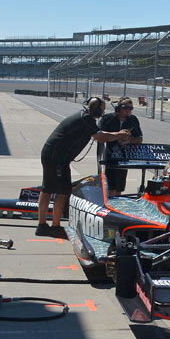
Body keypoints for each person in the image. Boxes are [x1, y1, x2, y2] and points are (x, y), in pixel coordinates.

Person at [37, 97, 130, 238]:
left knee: (48, 189)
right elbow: (101, 136)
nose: (103, 112)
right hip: (57, 158)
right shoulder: (86, 118)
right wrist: (119, 134)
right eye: (102, 109)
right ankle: (54, 226)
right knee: (61, 191)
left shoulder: (83, 116)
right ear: (97, 109)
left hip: (54, 155)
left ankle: (43, 226)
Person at [98, 97, 143, 196]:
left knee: (119, 187)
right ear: (118, 108)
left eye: (130, 108)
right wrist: (117, 136)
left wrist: (128, 141)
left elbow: (139, 139)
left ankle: (117, 206)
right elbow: (99, 135)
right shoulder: (107, 119)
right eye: (125, 108)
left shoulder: (133, 120)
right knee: (109, 186)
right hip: (108, 156)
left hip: (123, 157)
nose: (128, 110)